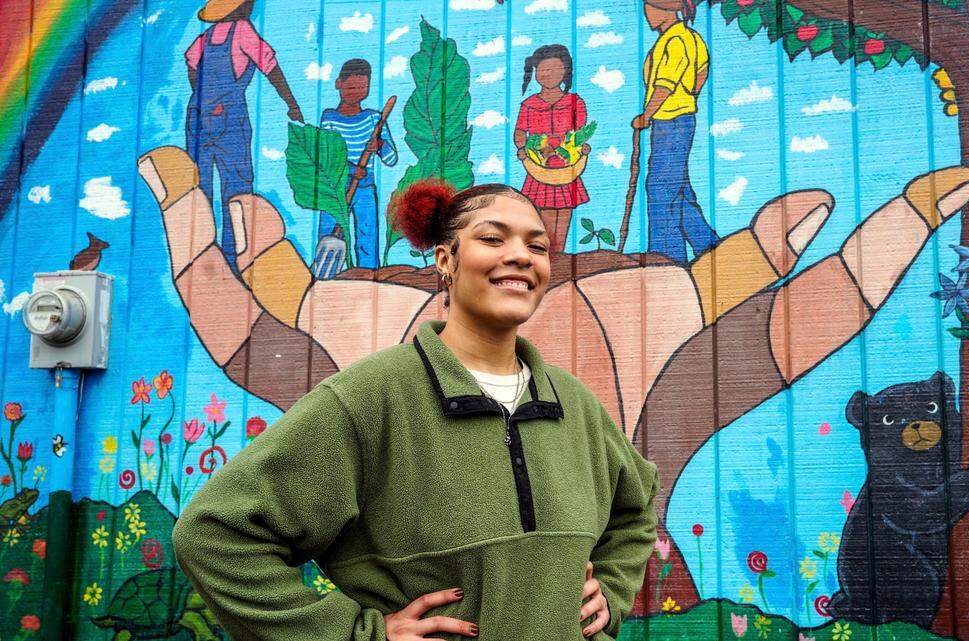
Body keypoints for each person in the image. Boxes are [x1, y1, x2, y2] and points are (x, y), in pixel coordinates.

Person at [170, 178, 661, 640]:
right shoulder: (370, 397)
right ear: (446, 260)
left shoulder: (573, 404)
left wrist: (612, 593)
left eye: (536, 246)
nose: (520, 257)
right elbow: (214, 534)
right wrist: (357, 634)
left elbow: (635, 508)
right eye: (493, 239)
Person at [185, 0, 303, 271]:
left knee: (199, 189)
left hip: (197, 117)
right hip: (229, 118)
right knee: (236, 190)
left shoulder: (204, 38)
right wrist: (291, 103)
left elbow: (191, 66)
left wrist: (203, 96)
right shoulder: (242, 31)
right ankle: (234, 261)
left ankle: (202, 261)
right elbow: (270, 66)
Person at [633, 0, 718, 264]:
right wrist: (690, 94)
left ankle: (667, 260)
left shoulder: (675, 41)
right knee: (677, 191)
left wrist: (647, 115)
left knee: (659, 188)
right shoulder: (688, 37)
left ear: (666, 7)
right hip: (676, 121)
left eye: (649, 6)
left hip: (670, 122)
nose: (646, 13)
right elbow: (702, 70)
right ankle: (709, 248)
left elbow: (664, 86)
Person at [317, 59, 399, 275]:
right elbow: (327, 157)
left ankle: (368, 276)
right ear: (338, 84)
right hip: (334, 187)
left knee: (367, 235)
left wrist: (379, 144)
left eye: (363, 88)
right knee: (329, 230)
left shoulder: (373, 119)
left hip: (364, 188)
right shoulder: (329, 119)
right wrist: (352, 170)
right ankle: (325, 278)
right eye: (352, 87)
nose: (357, 92)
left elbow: (391, 159)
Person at [514, 44, 590, 253]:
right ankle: (551, 257)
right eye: (543, 70)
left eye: (555, 69)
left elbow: (579, 134)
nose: (548, 75)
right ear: (535, 72)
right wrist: (523, 148)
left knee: (565, 212)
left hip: (567, 167)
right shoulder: (529, 105)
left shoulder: (575, 102)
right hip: (540, 168)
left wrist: (583, 147)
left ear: (565, 71)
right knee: (546, 215)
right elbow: (520, 133)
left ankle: (561, 257)